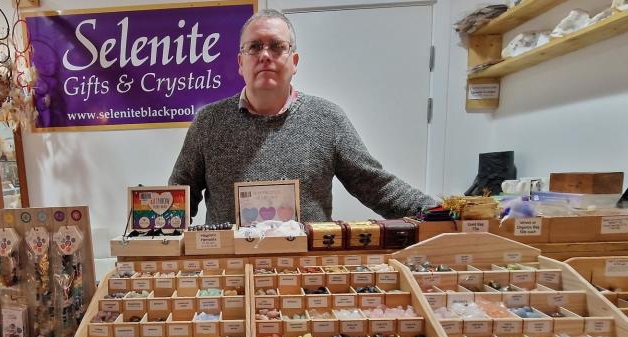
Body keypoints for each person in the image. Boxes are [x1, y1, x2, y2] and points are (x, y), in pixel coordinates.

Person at [169, 9, 436, 224]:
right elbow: (179, 198)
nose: (265, 55)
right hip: (231, 275)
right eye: (254, 47)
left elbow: (376, 186)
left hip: (306, 276)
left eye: (276, 46)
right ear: (241, 63)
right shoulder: (208, 122)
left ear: (294, 61)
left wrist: (440, 212)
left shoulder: (327, 119)